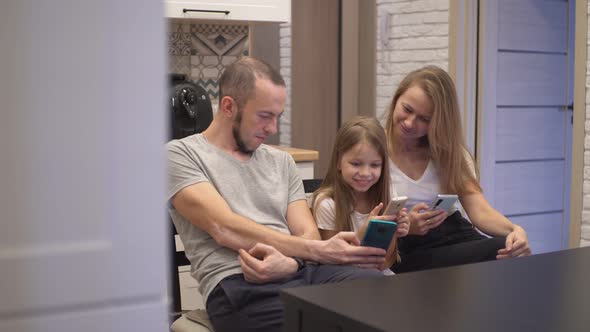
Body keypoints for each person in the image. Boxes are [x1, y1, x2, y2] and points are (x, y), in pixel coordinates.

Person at [166, 57, 386, 332]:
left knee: (384, 294)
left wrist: (292, 263)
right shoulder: (180, 154)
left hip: (300, 271)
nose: (272, 128)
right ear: (229, 106)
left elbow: (307, 232)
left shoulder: (281, 162)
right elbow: (225, 228)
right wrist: (320, 251)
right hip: (240, 282)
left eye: (277, 117)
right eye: (264, 116)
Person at [383, 65, 531, 273]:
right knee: (498, 252)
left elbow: (480, 211)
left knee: (509, 249)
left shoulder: (448, 153)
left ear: (437, 122)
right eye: (407, 109)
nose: (409, 122)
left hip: (454, 234)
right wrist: (406, 228)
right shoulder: (373, 152)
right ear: (396, 99)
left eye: (424, 119)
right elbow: (359, 219)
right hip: (404, 248)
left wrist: (515, 231)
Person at [311, 116, 410, 274]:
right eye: (356, 164)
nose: (365, 173)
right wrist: (363, 233)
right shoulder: (327, 204)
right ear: (338, 162)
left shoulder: (388, 193)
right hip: (344, 281)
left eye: (375, 165)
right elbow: (331, 268)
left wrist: (393, 232)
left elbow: (385, 263)